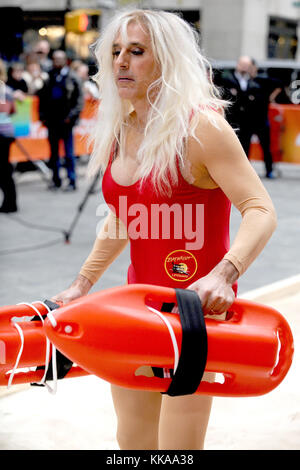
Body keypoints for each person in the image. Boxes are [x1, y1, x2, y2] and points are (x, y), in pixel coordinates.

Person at [51, 10, 277, 450]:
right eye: (115, 51)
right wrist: (83, 283)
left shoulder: (202, 126)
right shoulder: (121, 126)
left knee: (179, 449)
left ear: (168, 60)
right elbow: (122, 216)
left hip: (196, 318)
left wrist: (225, 273)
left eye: (136, 52)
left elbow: (260, 209)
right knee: (133, 443)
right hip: (139, 312)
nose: (120, 63)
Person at [38, 50, 83, 191]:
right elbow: (42, 98)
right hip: (52, 121)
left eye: (60, 59)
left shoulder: (73, 77)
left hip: (66, 122)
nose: (57, 61)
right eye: (55, 59)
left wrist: (72, 117)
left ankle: (72, 181)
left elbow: (79, 100)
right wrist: (42, 117)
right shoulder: (50, 77)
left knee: (69, 153)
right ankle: (56, 180)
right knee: (54, 154)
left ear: (65, 60)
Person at [0, 59, 18, 213]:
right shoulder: (8, 90)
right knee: (5, 168)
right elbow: (12, 111)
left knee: (4, 170)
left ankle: (10, 203)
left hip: (2, 134)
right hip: (7, 133)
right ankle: (10, 201)